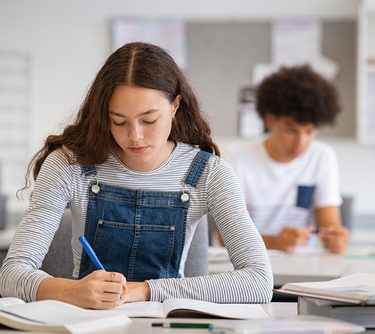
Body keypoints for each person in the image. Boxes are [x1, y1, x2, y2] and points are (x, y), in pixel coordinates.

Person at [0, 42, 273, 309]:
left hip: (166, 324)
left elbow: (259, 281)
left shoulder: (209, 173)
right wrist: (71, 291)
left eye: (149, 120)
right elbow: (11, 274)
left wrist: (144, 290)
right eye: (118, 121)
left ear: (175, 106)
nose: (134, 136)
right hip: (87, 322)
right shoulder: (69, 164)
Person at [219, 65, 349, 254]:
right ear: (270, 120)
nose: (301, 142)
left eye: (310, 131)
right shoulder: (235, 157)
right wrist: (275, 241)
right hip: (249, 267)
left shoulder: (322, 157)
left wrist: (335, 239)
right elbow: (224, 237)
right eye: (291, 129)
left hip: (304, 268)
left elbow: (329, 227)